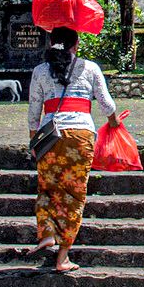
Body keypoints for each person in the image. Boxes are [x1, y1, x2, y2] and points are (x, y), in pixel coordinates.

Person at [27, 26, 119, 272]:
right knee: (74, 195)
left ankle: (47, 233)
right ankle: (63, 257)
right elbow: (106, 103)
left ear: (51, 43)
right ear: (76, 43)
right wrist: (114, 121)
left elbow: (34, 112)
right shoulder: (89, 68)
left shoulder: (39, 71)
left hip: (49, 137)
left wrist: (32, 141)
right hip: (80, 136)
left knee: (47, 188)